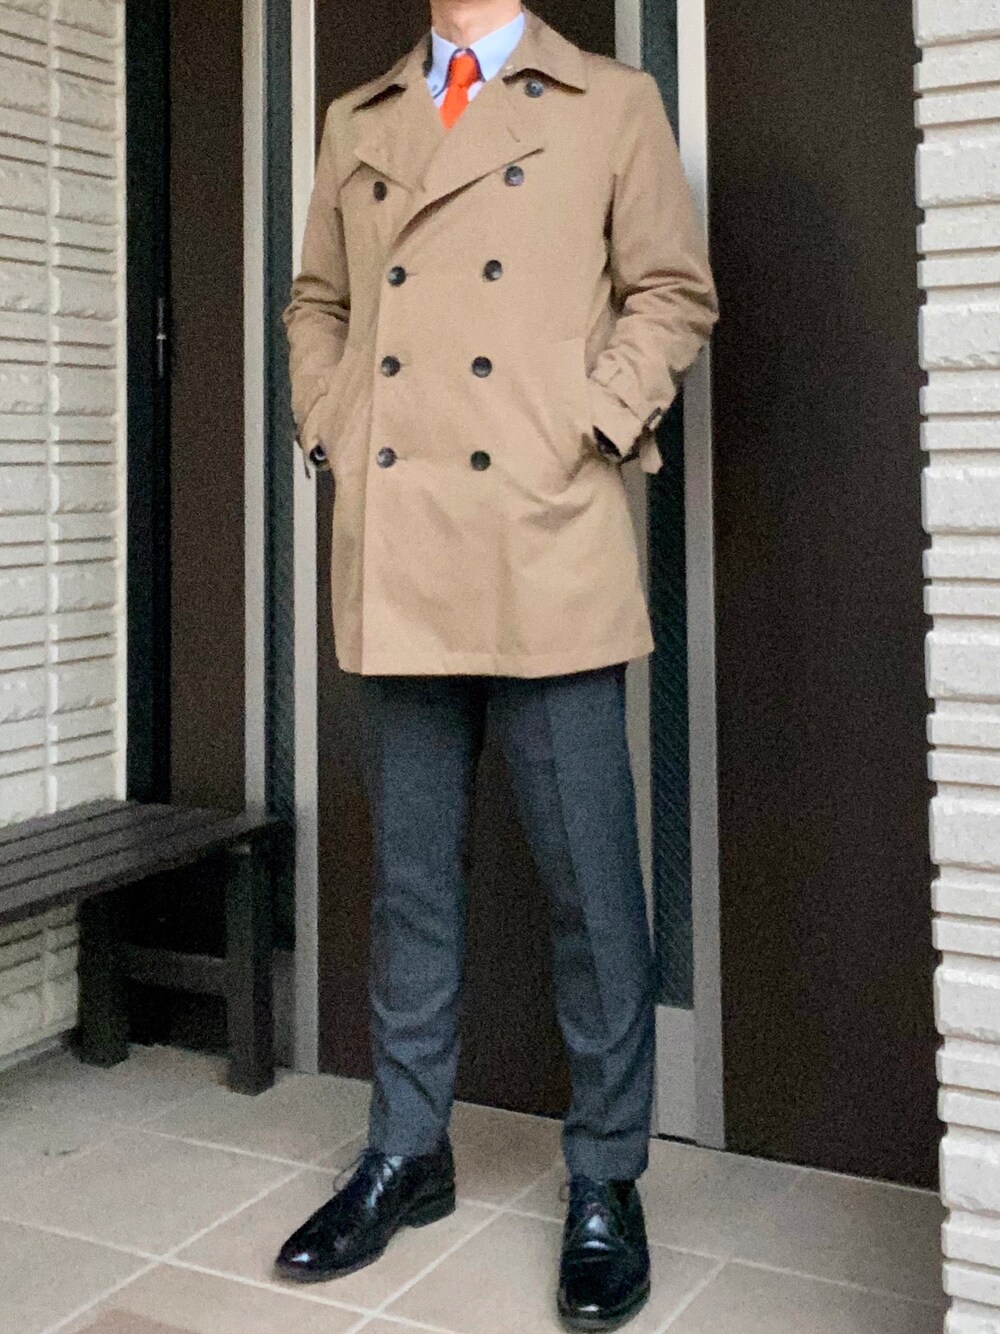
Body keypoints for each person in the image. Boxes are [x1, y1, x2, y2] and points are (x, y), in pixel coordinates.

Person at [274, 2, 717, 1327]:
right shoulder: (357, 119)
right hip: (402, 542)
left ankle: (607, 1176)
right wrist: (334, 422)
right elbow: (318, 303)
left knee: (591, 886)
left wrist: (593, 418)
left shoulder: (610, 104)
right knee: (410, 883)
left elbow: (672, 290)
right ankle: (407, 1150)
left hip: (546, 540)